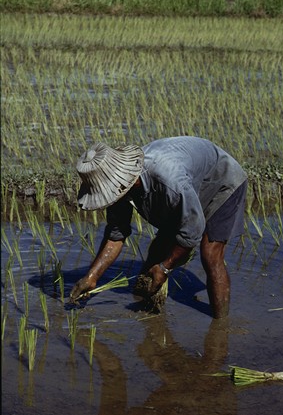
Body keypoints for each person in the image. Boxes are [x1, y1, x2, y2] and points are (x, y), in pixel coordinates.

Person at [69, 136, 248, 318]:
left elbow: (191, 234)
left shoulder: (171, 183)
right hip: (187, 184)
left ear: (122, 183)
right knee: (157, 250)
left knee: (211, 254)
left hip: (222, 181)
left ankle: (220, 325)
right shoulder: (119, 190)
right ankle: (149, 312)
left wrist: (165, 267)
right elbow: (116, 235)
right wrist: (92, 277)